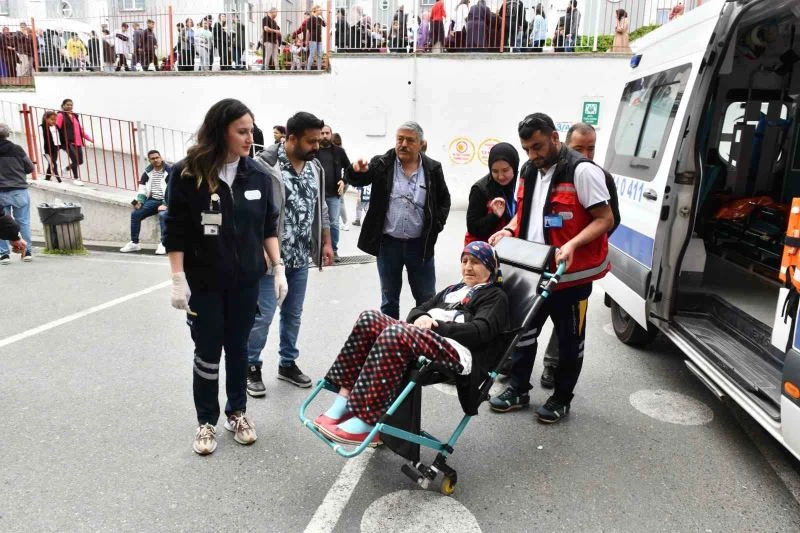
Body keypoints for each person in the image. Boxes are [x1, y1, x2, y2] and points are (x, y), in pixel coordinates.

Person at [164, 98, 282, 456]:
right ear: (221, 131)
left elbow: (268, 226)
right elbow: (176, 230)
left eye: (251, 130)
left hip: (245, 281)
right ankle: (205, 421)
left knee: (239, 349)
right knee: (207, 351)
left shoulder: (259, 175)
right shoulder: (187, 173)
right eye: (242, 131)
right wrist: (177, 278)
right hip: (204, 283)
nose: (250, 138)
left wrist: (277, 268)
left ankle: (237, 413)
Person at [314, 241, 509, 445]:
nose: (468, 267)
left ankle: (366, 421)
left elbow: (480, 332)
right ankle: (344, 401)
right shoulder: (454, 289)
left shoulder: (495, 296)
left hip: (457, 350)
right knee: (369, 319)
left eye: (476, 262)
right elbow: (416, 311)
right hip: (424, 337)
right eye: (465, 261)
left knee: (397, 332)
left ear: (489, 267)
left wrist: (436, 325)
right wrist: (421, 318)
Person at [488, 113, 613, 423]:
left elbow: (605, 219)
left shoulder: (582, 171)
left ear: (555, 138)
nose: (533, 155)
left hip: (570, 277)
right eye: (527, 149)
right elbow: (527, 214)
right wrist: (509, 229)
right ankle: (518, 388)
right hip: (533, 271)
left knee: (570, 342)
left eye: (538, 146)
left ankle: (561, 398)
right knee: (524, 332)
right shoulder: (530, 170)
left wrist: (571, 244)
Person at [246, 112, 333, 397]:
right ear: (291, 138)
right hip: (272, 259)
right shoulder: (265, 166)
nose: (316, 146)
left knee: (293, 314)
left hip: (300, 257)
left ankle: (287, 363)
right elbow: (253, 212)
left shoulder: (314, 167)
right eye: (311, 141)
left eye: (318, 140)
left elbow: (320, 207)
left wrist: (326, 241)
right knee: (264, 315)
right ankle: (251, 365)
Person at [346, 121, 451, 319]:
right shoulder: (382, 163)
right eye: (400, 139)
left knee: (426, 299)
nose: (403, 144)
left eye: (410, 140)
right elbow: (359, 179)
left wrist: (436, 226)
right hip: (388, 245)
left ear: (421, 144)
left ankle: (423, 341)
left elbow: (444, 201)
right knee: (389, 299)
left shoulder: (433, 169)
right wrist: (355, 171)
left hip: (420, 246)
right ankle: (391, 343)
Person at [465, 142, 519, 245]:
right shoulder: (480, 189)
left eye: (505, 170)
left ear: (514, 167)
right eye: (494, 171)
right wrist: (494, 216)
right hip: (484, 251)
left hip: (510, 247)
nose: (500, 176)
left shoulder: (522, 185)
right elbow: (472, 227)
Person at [120, 150, 173, 255]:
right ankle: (134, 243)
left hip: (168, 201)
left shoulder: (169, 171)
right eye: (153, 158)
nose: (156, 160)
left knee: (163, 215)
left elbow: (173, 188)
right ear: (149, 160)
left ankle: (164, 244)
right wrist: (140, 201)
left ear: (161, 157)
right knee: (135, 214)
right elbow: (142, 188)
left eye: (157, 157)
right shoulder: (148, 172)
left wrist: (166, 204)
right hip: (153, 200)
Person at [0, 123, 35, 265]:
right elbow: (29, 167)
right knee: (23, 222)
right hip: (19, 190)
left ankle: (4, 254)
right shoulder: (17, 149)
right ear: (7, 134)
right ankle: (26, 252)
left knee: (1, 222)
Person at [318, 125, 351, 262]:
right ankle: (319, 250)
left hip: (333, 194)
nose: (325, 135)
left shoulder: (338, 151)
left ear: (331, 134)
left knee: (333, 223)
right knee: (317, 223)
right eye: (322, 133)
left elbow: (349, 168)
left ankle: (334, 250)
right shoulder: (313, 151)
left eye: (327, 133)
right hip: (317, 194)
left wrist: (344, 181)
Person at [56, 99, 93, 186]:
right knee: (75, 160)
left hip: (78, 142)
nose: (69, 106)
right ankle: (76, 178)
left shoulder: (74, 116)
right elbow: (57, 127)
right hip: (67, 142)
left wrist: (89, 138)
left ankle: (65, 169)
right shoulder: (60, 115)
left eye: (71, 105)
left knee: (80, 161)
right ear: (63, 105)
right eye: (67, 105)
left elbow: (80, 130)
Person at [293, 5, 326, 71]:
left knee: (320, 55)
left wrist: (322, 16)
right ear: (315, 9)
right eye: (320, 9)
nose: (321, 10)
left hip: (319, 40)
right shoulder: (311, 19)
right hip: (312, 40)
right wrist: (307, 41)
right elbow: (308, 31)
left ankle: (319, 69)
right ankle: (308, 69)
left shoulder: (319, 19)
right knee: (312, 54)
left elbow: (325, 24)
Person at [40, 111, 63, 182]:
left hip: (55, 148)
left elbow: (59, 137)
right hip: (46, 150)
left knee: (51, 163)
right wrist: (43, 151)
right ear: (45, 119)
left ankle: (47, 178)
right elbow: (40, 140)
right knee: (53, 164)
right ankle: (59, 180)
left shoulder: (56, 127)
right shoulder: (41, 127)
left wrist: (60, 146)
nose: (54, 121)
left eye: (55, 120)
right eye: (52, 119)